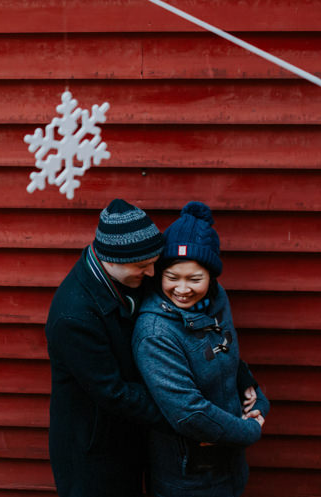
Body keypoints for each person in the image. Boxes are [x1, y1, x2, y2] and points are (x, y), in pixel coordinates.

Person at [132, 201, 270, 497]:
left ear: (212, 277)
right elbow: (188, 412)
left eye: (195, 279)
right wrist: (248, 431)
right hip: (188, 475)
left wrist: (251, 389)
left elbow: (226, 352)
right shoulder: (155, 333)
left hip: (229, 463)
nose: (182, 289)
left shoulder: (217, 300)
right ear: (158, 275)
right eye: (172, 277)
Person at [46, 198, 166, 497]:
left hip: (127, 435)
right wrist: (183, 413)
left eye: (154, 262)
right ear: (110, 260)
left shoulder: (130, 275)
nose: (152, 273)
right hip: (92, 451)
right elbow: (113, 392)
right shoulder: (74, 315)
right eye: (142, 266)